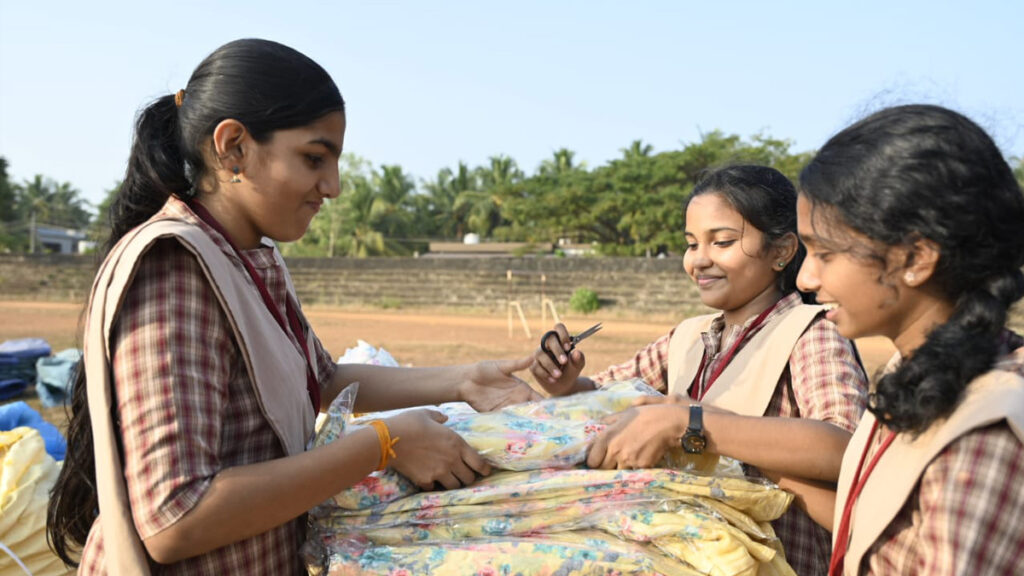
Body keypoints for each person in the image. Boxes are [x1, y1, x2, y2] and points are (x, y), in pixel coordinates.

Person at [45, 38, 539, 575]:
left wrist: (465, 381)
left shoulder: (246, 257)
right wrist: (384, 444)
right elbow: (176, 519)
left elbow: (319, 379)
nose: (333, 186)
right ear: (232, 147)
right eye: (313, 158)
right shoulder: (177, 269)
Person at [533, 165, 869, 575]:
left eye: (722, 242)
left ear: (781, 251)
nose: (699, 260)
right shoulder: (688, 338)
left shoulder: (810, 333)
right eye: (692, 244)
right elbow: (604, 394)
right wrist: (567, 380)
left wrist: (691, 423)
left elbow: (845, 448)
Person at [795, 104, 1024, 576]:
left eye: (825, 253)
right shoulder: (918, 372)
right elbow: (874, 532)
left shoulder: (983, 434)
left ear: (915, 258)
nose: (806, 277)